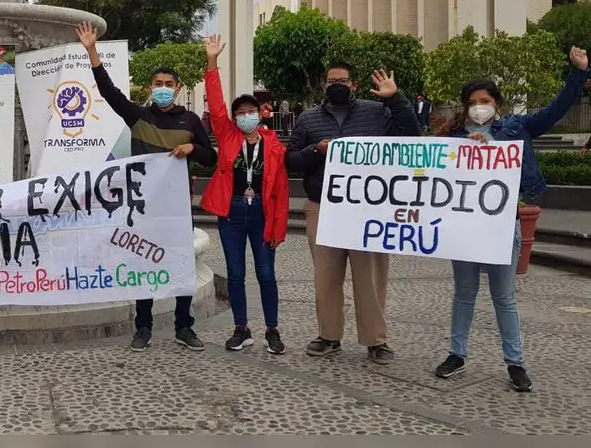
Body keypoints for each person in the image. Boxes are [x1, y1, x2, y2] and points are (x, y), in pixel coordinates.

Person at [432, 46, 589, 392]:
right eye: (473, 102)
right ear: (465, 106)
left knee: (504, 296)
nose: (479, 107)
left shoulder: (517, 129)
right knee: (464, 293)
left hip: (503, 226)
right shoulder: (453, 139)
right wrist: (465, 147)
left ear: (497, 104)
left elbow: (556, 110)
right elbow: (432, 170)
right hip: (465, 228)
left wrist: (578, 74)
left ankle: (515, 362)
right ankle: (456, 354)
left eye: (485, 100)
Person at [76, 21, 217, 352]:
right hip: (143, 209)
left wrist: (192, 148)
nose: (164, 88)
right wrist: (92, 51)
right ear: (150, 87)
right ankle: (143, 327)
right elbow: (109, 92)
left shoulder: (190, 121)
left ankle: (184, 326)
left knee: (181, 266)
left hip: (177, 209)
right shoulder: (137, 116)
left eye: (169, 84)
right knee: (144, 266)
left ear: (178, 89)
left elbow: (211, 157)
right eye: (158, 84)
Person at [287, 63, 420, 364]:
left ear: (354, 85)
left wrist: (395, 98)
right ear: (324, 86)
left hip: (367, 209)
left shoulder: (377, 112)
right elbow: (291, 160)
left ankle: (376, 340)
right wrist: (316, 150)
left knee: (370, 277)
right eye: (332, 80)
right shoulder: (308, 118)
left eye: (343, 80)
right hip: (323, 206)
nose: (338, 85)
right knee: (326, 276)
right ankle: (329, 335)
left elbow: (411, 136)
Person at [199, 35, 290, 353]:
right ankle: (241, 328)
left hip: (263, 212)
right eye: (241, 112)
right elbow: (216, 104)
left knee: (266, 273)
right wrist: (212, 62)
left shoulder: (274, 145)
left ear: (260, 113)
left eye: (251, 110)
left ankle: (272, 330)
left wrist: (278, 226)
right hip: (233, 212)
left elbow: (281, 190)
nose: (246, 115)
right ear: (235, 117)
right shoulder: (228, 134)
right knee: (235, 274)